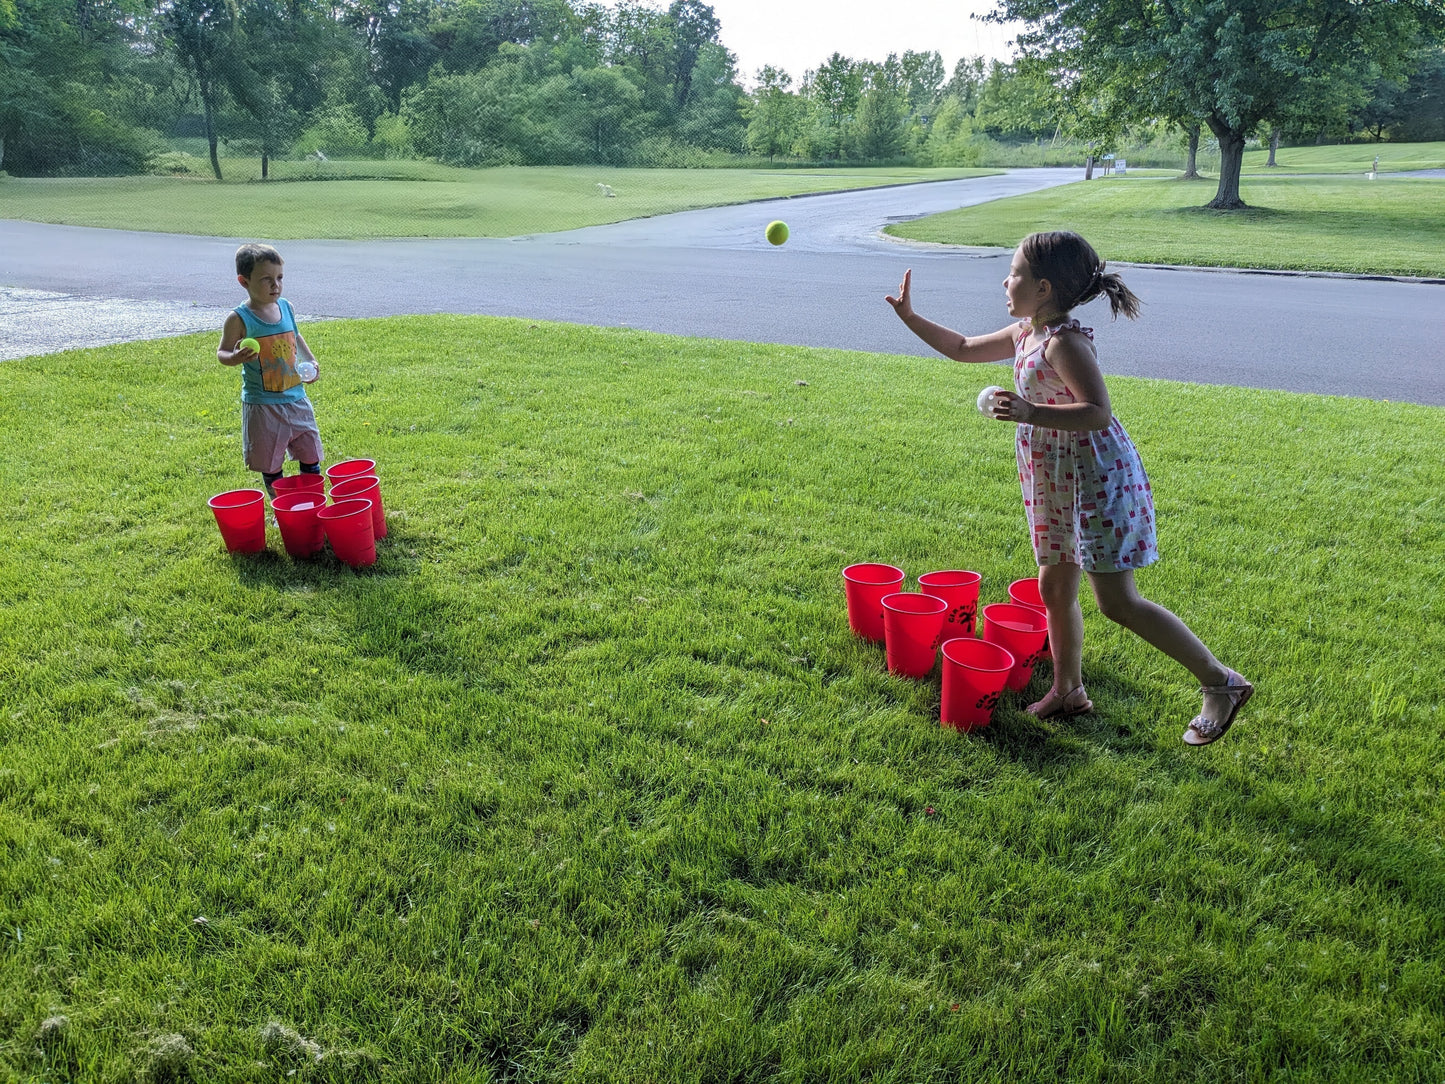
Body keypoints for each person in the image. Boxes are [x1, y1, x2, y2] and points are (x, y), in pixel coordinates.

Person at [885, 230, 1253, 746]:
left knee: (1117, 602)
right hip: (1056, 481)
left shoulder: (1064, 342)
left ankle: (1222, 682)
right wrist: (909, 317)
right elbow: (963, 347)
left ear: (1043, 288)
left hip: (1094, 480)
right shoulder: (1024, 334)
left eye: (1013, 273)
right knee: (1054, 588)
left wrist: (1034, 411)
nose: (1004, 280)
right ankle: (1069, 690)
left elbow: (1098, 411)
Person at [218, 243, 323, 498]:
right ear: (244, 281)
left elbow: (296, 336)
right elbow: (222, 353)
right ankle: (282, 508)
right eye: (266, 279)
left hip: (296, 398)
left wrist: (312, 361)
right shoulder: (240, 318)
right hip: (263, 405)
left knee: (310, 452)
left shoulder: (286, 307)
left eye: (279, 278)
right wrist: (236, 356)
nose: (275, 285)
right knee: (271, 461)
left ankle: (311, 501)